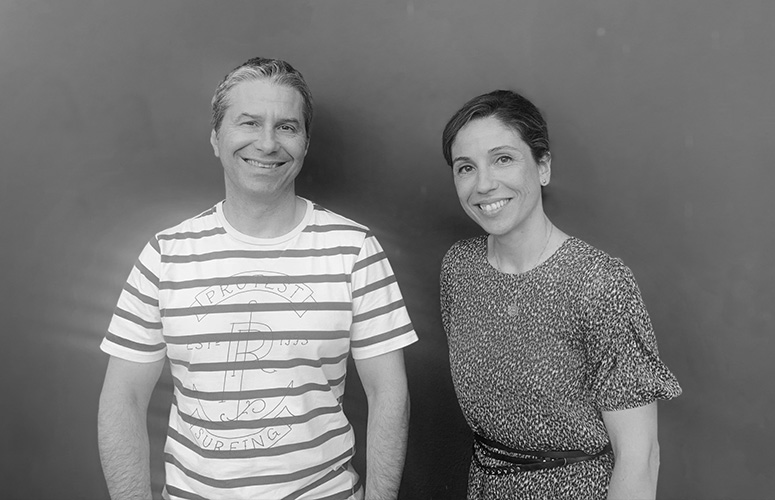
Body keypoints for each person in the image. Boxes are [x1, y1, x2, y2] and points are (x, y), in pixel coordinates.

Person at [98, 57, 418, 500]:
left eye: (286, 127)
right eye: (249, 122)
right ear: (216, 137)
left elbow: (390, 396)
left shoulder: (355, 250)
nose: (267, 143)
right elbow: (123, 399)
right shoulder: (165, 254)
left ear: (305, 143)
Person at [439, 90, 681, 499]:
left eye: (503, 159)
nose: (484, 184)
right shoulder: (459, 269)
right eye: (466, 167)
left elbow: (640, 458)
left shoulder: (599, 282)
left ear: (543, 167)